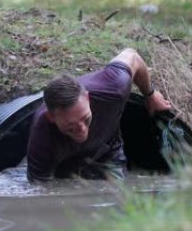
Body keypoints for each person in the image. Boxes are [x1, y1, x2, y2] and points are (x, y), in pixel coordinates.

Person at [26, 48, 172, 182]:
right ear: (51, 117)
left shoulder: (113, 88)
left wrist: (150, 94)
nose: (82, 129)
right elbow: (40, 187)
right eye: (71, 126)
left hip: (107, 153)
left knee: (119, 197)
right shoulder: (42, 133)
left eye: (85, 119)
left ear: (88, 99)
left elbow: (132, 56)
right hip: (64, 165)